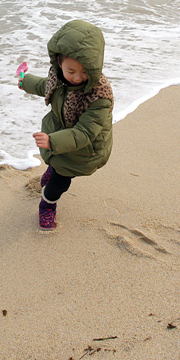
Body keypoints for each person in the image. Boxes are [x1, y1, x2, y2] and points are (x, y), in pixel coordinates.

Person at [18, 19, 114, 230]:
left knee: (60, 182)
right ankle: (53, 169)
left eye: (85, 71)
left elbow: (85, 133)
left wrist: (52, 141)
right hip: (59, 133)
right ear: (59, 62)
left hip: (83, 149)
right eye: (71, 71)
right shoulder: (59, 77)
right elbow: (46, 86)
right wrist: (26, 82)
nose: (77, 77)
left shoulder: (99, 97)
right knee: (57, 167)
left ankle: (47, 204)